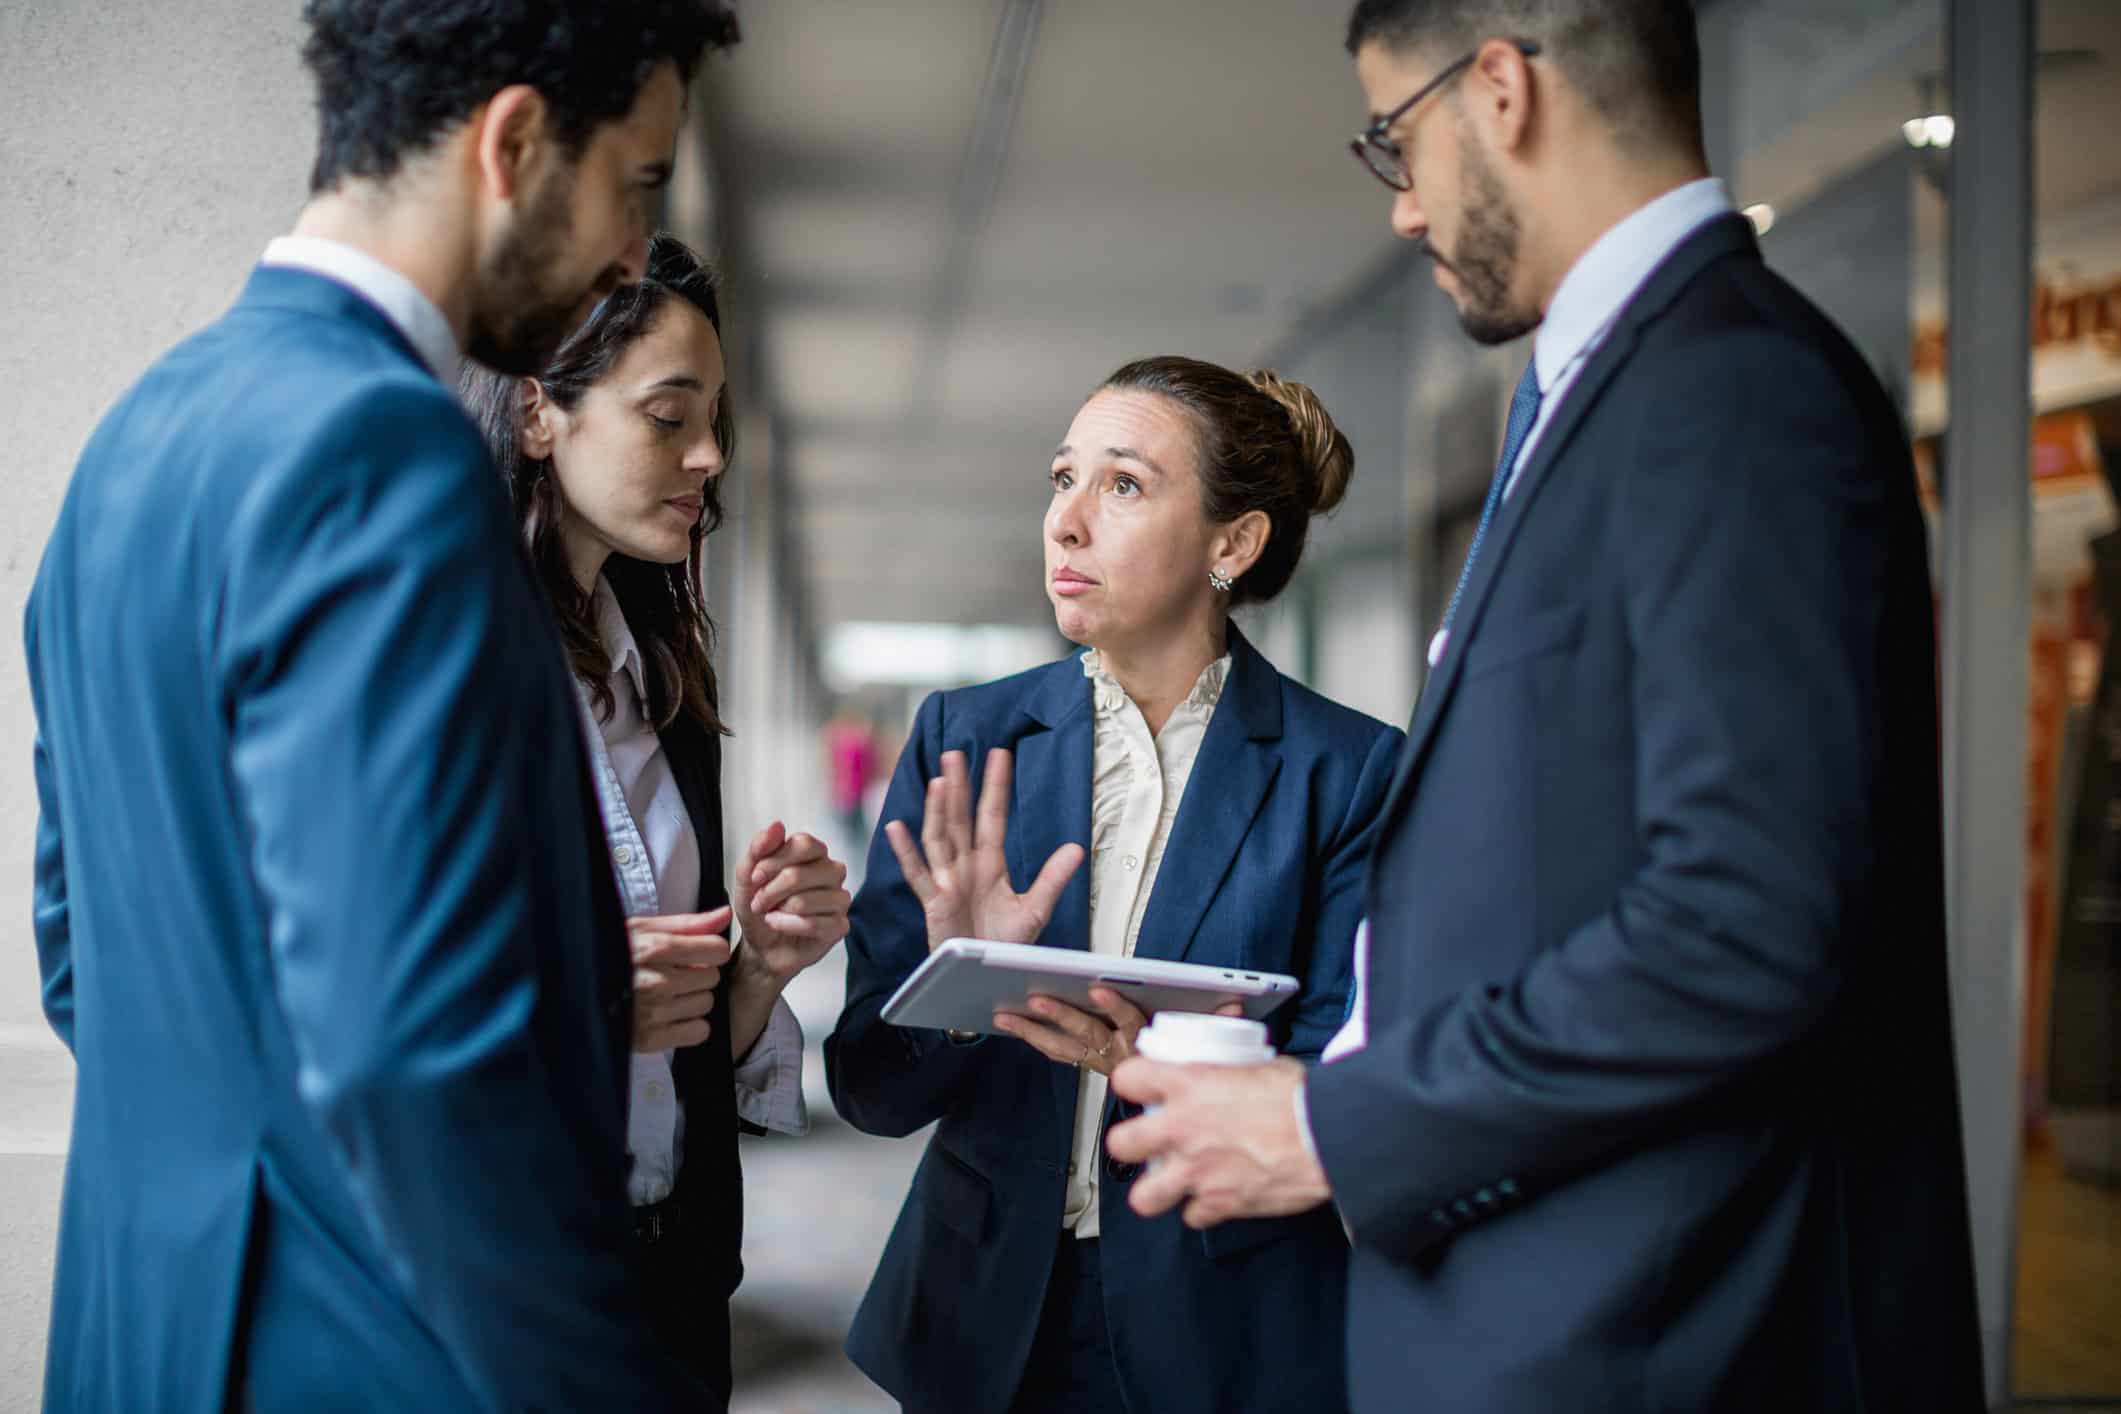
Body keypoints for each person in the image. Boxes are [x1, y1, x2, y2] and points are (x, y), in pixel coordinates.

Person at [1107, 2, 1987, 1411]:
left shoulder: (1736, 392)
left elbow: (1741, 927)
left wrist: (1340, 1124)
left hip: (1663, 1339)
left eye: (1397, 140)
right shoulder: (1610, 394)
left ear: (1500, 90)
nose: (1401, 211)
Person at [25, 4, 740, 1409]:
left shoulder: (138, 437)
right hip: (374, 1352)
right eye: (633, 184)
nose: (620, 252)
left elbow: (78, 961)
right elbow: (420, 1054)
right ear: (514, 144)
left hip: (140, 1340)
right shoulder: (386, 451)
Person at [826, 356, 1403, 1414]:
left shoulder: (1348, 771)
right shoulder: (967, 739)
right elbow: (868, 1086)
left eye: (1122, 484)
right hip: (985, 1318)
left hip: (1226, 1322)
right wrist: (957, 989)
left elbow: (1348, 1080)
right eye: (1062, 478)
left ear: (1233, 543)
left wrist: (1160, 1058)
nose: (1067, 522)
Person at [459, 232, 851, 1407]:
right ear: (538, 414)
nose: (710, 454)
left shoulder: (661, 682)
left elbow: (665, 1043)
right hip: (496, 1287)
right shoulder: (448, 669)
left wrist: (756, 974)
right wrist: (582, 1002)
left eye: (716, 416)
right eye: (669, 415)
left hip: (665, 1292)